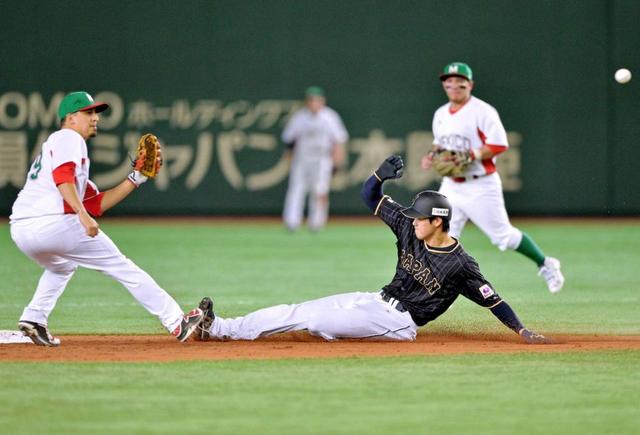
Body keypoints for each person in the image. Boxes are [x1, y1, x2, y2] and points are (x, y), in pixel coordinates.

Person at [192, 156, 548, 344]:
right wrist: (378, 175)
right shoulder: (411, 228)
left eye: (420, 219)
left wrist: (521, 331)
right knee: (300, 309)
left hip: (398, 323)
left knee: (313, 321)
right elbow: (369, 197)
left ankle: (334, 331)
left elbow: (493, 301)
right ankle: (220, 326)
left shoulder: (460, 265)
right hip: (374, 300)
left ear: (438, 222)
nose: (413, 221)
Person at [9, 91, 204, 346]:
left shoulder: (57, 148)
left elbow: (96, 203)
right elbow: (63, 178)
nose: (95, 118)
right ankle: (177, 322)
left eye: (96, 113)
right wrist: (82, 216)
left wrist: (137, 178)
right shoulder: (69, 138)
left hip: (22, 230)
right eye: (88, 112)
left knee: (62, 266)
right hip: (54, 224)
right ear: (70, 117)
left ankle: (34, 317)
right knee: (121, 266)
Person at [422, 62, 565, 293]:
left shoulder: (483, 111)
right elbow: (440, 144)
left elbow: (499, 144)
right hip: (451, 186)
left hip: (480, 185)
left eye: (460, 81)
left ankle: (546, 263)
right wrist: (431, 156)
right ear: (445, 84)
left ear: (470, 84)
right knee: (439, 235)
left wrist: (472, 155)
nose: (454, 85)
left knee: (504, 237)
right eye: (449, 81)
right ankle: (430, 288)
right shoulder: (440, 114)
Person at [281, 86, 349, 231]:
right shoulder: (300, 117)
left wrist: (338, 161)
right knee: (296, 189)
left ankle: (316, 223)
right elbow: (289, 140)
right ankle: (292, 222)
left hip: (322, 158)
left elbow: (339, 141)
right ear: (307, 101)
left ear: (322, 101)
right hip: (302, 158)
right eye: (311, 100)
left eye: (316, 100)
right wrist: (288, 158)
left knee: (319, 190)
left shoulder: (330, 117)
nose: (313, 103)